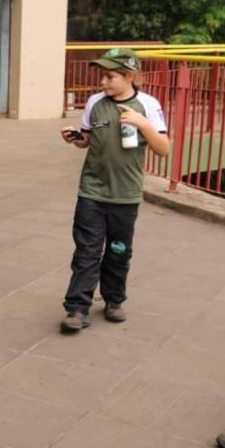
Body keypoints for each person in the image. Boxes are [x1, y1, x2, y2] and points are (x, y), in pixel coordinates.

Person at [59, 47, 169, 332]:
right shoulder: (95, 102)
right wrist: (75, 138)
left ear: (129, 76)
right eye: (102, 76)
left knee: (119, 251)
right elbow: (87, 140)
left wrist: (142, 123)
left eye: (110, 77)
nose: (103, 82)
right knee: (87, 251)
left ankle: (114, 300)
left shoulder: (148, 104)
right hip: (92, 191)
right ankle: (77, 308)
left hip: (125, 194)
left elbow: (163, 149)